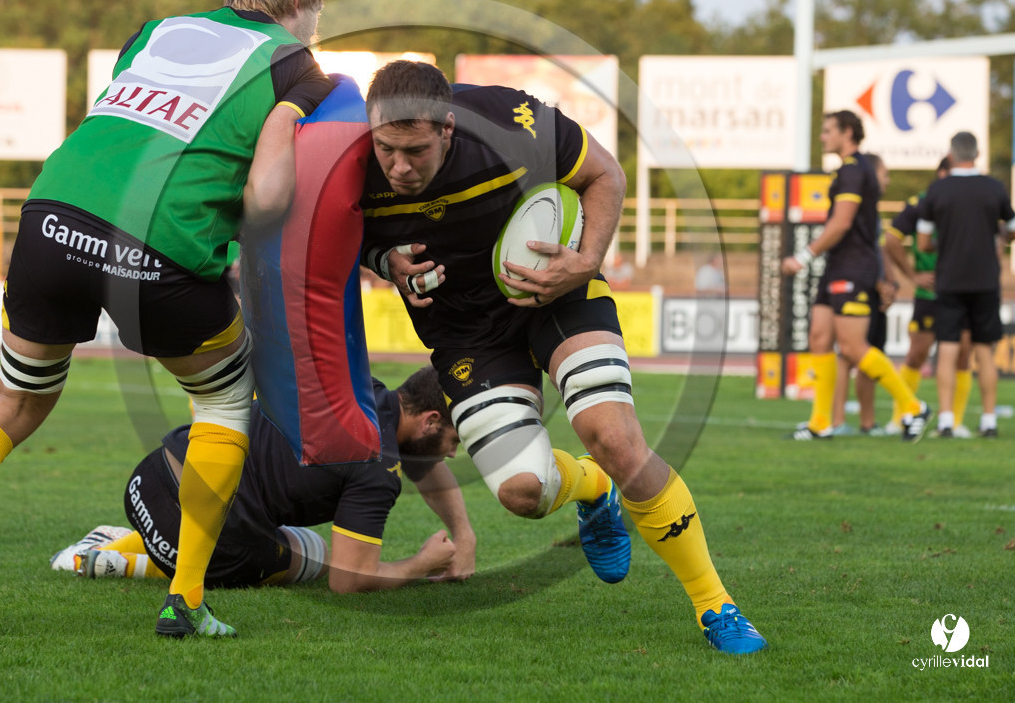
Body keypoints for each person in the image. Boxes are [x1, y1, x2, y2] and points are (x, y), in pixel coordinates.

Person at [0, 0, 337, 641]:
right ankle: (187, 599)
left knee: (16, 399)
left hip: (49, 217)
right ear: (299, 2)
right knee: (225, 400)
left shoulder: (157, 32)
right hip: (156, 244)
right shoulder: (298, 67)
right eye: (318, 10)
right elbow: (264, 194)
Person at [358, 60, 766, 654]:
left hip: (557, 292)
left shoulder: (511, 121)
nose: (397, 166)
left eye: (415, 150)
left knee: (615, 436)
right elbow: (325, 238)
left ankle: (716, 605)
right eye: (385, 149)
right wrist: (381, 261)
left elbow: (606, 175)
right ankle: (593, 489)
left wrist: (585, 257)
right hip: (467, 334)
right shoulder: (346, 156)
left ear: (448, 127)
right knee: (524, 493)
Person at [52, 367, 474, 592]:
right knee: (314, 553)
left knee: (247, 507)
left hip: (149, 477)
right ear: (430, 420)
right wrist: (422, 564)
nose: (452, 453)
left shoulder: (362, 387)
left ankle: (123, 538)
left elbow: (426, 462)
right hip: (196, 537)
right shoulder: (377, 468)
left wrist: (464, 534)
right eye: (453, 440)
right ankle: (117, 562)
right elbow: (349, 581)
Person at [782, 112, 929, 442]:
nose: (822, 137)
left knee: (852, 347)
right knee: (819, 338)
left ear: (847, 133)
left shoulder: (853, 170)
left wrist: (803, 256)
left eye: (828, 131)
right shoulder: (853, 169)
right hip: (838, 264)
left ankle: (913, 406)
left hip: (852, 267)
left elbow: (842, 223)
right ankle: (821, 422)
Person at [915, 131, 1015, 439]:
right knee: (984, 349)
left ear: (951, 153)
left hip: (950, 278)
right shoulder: (994, 188)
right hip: (985, 279)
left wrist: (944, 244)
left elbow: (923, 242)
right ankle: (988, 421)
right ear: (978, 153)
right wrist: (997, 237)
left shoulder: (938, 191)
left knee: (947, 347)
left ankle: (946, 420)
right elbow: (1011, 230)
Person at [883, 157, 974, 437]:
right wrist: (912, 275)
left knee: (963, 354)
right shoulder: (922, 202)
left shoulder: (972, 201)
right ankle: (902, 416)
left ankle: (955, 423)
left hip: (964, 290)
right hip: (930, 292)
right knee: (917, 354)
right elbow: (891, 239)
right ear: (942, 173)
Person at [830, 153, 896, 436]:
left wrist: (889, 281)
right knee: (848, 355)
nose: (887, 180)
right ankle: (836, 420)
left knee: (867, 355)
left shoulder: (872, 211)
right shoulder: (855, 209)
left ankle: (867, 422)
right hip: (859, 286)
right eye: (884, 173)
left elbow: (880, 250)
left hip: (873, 288)